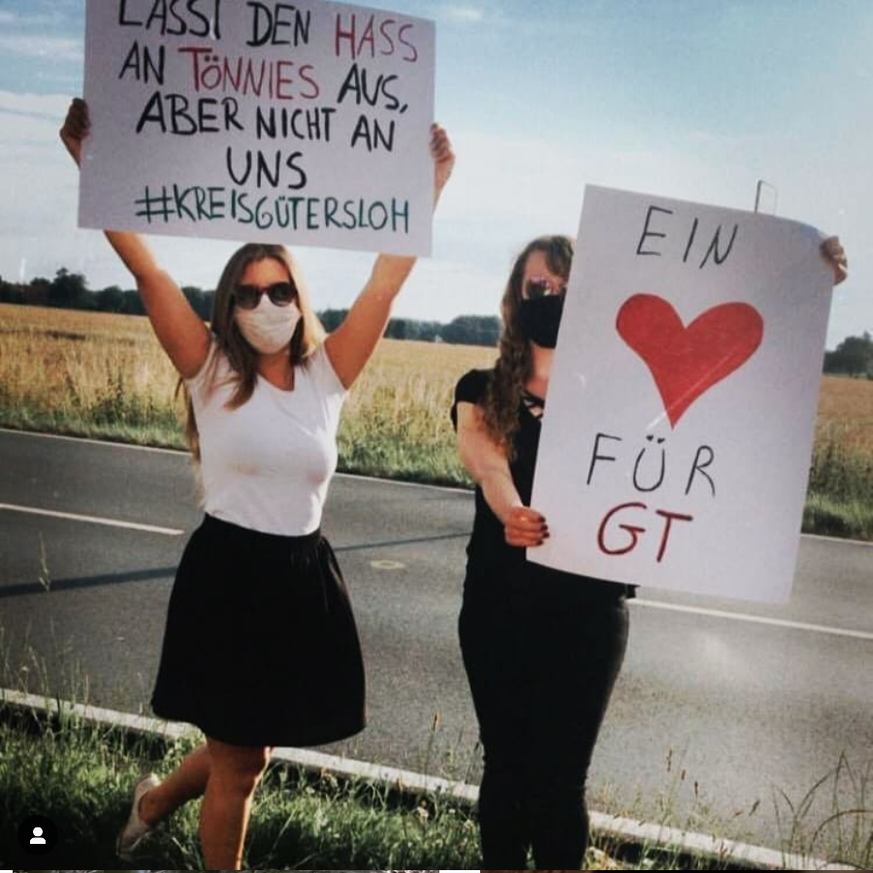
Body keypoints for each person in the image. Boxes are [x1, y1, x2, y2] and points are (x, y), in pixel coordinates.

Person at [60, 97, 454, 870]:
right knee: (239, 764)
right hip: (230, 576)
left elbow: (384, 284)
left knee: (250, 749)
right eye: (248, 293)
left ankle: (152, 802)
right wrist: (95, 169)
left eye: (280, 291)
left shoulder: (326, 375)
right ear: (228, 305)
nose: (265, 305)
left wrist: (427, 185)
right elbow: (146, 267)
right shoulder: (207, 368)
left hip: (300, 576)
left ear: (299, 299)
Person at [451, 232, 848, 869]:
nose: (551, 298)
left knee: (559, 785)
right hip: (501, 605)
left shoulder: (626, 396)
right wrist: (511, 511)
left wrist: (805, 287)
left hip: (589, 612)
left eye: (567, 288)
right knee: (506, 770)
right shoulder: (480, 387)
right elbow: (485, 459)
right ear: (516, 297)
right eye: (539, 287)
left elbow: (738, 393)